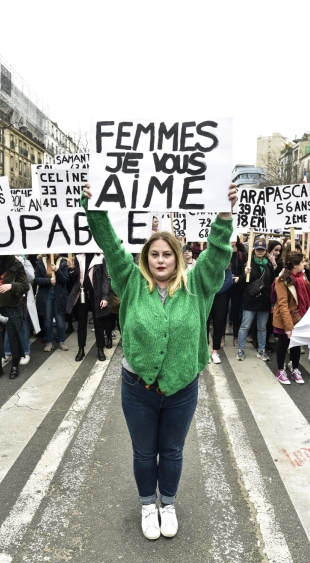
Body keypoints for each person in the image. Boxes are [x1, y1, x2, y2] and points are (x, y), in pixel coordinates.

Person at [82, 181, 237, 540]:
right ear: (146, 258)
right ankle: (146, 507)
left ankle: (167, 503)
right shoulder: (131, 282)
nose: (161, 260)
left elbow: (216, 255)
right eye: (155, 255)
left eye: (168, 254)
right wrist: (94, 206)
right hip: (137, 388)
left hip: (182, 388)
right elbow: (109, 244)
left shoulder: (197, 284)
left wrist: (224, 216)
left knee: (171, 450)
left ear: (178, 258)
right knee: (143, 452)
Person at [273, 251, 310, 385]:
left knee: (296, 344)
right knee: (283, 344)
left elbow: (309, 289)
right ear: (295, 265)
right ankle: (280, 370)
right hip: (285, 318)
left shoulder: (302, 275)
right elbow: (282, 304)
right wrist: (288, 327)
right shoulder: (281, 280)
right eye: (302, 262)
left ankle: (295, 368)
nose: (305, 264)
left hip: (300, 317)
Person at [0, 254, 30, 380]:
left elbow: (26, 286)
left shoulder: (16, 263)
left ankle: (15, 366)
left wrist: (12, 286)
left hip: (13, 305)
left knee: (14, 335)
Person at [66, 253, 111, 361]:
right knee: (81, 323)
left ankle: (100, 349)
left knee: (98, 323)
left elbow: (105, 278)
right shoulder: (78, 257)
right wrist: (72, 269)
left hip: (97, 295)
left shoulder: (100, 258)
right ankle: (81, 349)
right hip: (82, 294)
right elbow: (74, 279)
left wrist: (105, 297)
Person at [236, 239, 275, 362]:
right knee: (245, 326)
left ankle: (261, 350)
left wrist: (273, 301)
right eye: (258, 249)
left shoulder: (268, 265)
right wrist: (244, 273)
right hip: (251, 299)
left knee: (262, 328)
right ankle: (241, 351)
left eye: (262, 250)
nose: (260, 251)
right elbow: (242, 284)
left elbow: (273, 283)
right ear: (254, 251)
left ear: (265, 251)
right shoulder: (248, 264)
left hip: (265, 300)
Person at [3, 254, 41, 366]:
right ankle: (7, 351)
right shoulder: (6, 263)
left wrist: (22, 265)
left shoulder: (27, 262)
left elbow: (31, 278)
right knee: (7, 325)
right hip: (9, 298)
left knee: (24, 327)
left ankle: (25, 352)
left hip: (23, 299)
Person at [34, 253, 69, 352]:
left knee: (60, 319)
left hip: (59, 293)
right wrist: (48, 281)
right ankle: (49, 341)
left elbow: (65, 279)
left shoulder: (63, 262)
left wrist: (57, 271)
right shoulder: (41, 262)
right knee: (47, 319)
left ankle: (62, 341)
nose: (56, 253)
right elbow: (36, 279)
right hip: (46, 292)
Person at [208, 263, 233, 364]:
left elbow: (228, 281)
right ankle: (205, 351)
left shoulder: (226, 265)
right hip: (207, 297)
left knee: (218, 325)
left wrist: (216, 290)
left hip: (220, 298)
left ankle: (215, 351)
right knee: (204, 325)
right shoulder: (207, 262)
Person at [225, 236, 247, 346]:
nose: (232, 240)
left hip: (237, 286)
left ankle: (235, 336)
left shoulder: (242, 254)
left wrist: (240, 277)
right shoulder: (223, 252)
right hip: (225, 286)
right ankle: (221, 337)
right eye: (230, 238)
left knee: (236, 311)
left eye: (234, 238)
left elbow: (246, 270)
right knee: (223, 312)